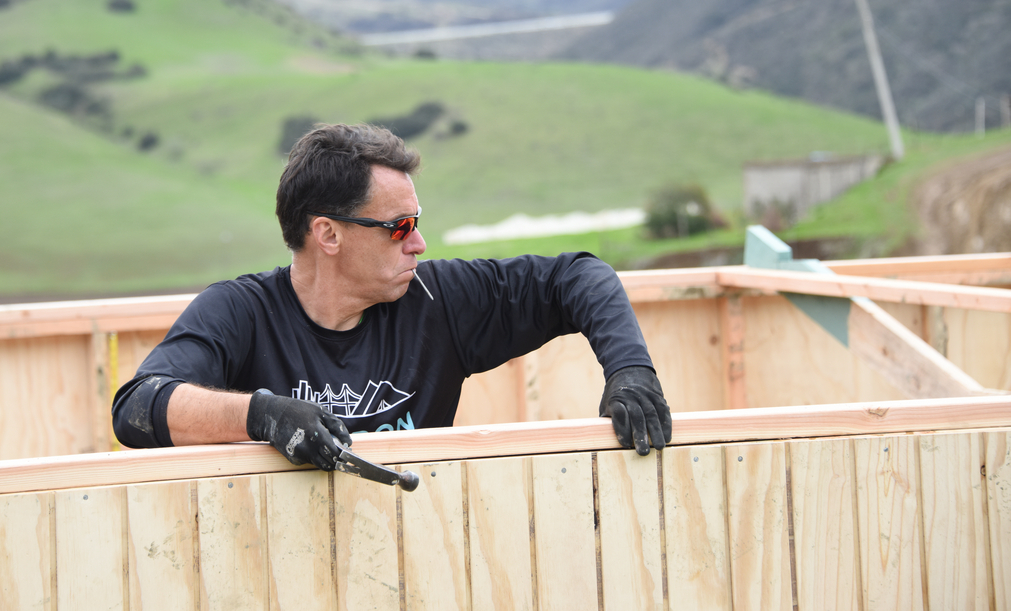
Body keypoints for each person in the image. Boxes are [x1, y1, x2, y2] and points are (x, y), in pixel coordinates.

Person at [112, 123, 671, 470]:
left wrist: (630, 372)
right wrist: (264, 415)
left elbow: (578, 276)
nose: (419, 244)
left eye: (416, 222)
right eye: (399, 227)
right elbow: (137, 408)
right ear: (328, 234)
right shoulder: (241, 311)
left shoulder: (435, 298)